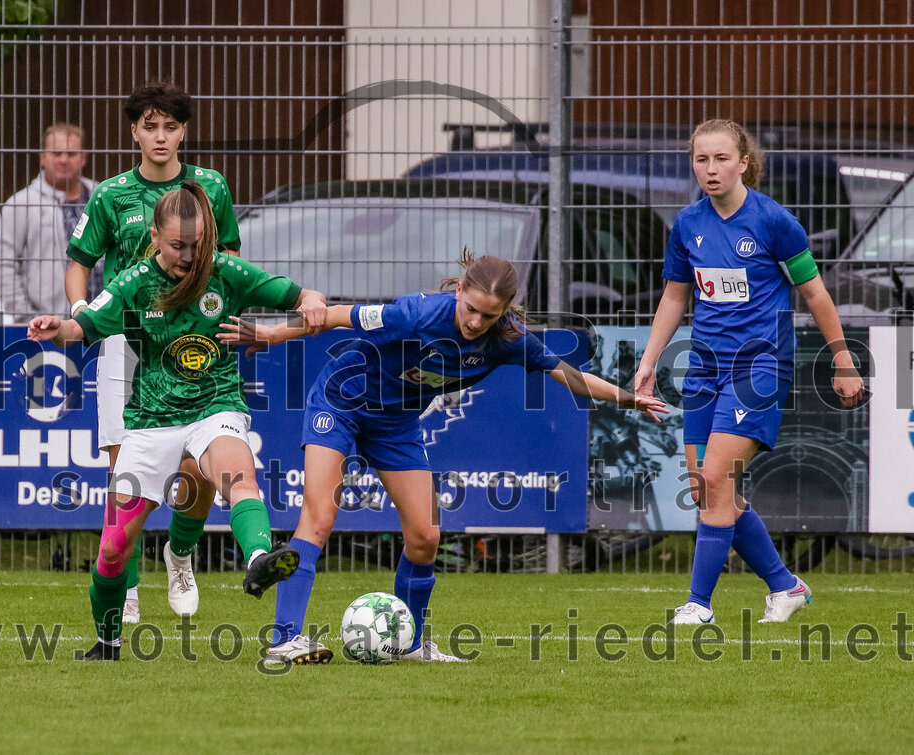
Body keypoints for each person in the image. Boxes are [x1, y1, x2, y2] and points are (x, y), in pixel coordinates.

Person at [219, 250, 668, 664]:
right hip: (340, 403)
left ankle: (410, 644)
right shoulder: (415, 313)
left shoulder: (508, 339)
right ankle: (284, 639)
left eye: (488, 315)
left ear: (505, 311)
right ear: (458, 292)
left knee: (426, 537)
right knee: (318, 517)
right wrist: (273, 334)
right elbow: (337, 315)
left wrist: (629, 399)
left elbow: (569, 375)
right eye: (470, 309)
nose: (475, 322)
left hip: (395, 424)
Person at [30, 181, 327, 660]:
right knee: (111, 552)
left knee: (238, 474)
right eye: (177, 246)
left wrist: (307, 305)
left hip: (215, 406)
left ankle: (258, 559)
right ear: (154, 236)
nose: (189, 256)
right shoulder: (132, 283)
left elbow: (302, 298)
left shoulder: (226, 271)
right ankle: (107, 642)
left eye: (197, 244)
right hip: (150, 422)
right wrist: (55, 328)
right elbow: (81, 326)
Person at [632, 119, 865, 626]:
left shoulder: (774, 221)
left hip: (759, 369)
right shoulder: (688, 224)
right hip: (703, 370)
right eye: (701, 160)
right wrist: (649, 362)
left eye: (720, 159)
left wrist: (843, 360)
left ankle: (698, 604)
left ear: (743, 163)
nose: (710, 169)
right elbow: (675, 295)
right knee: (704, 488)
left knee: (716, 477)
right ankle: (787, 585)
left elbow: (816, 293)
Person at [65, 82, 241, 625]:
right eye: (150, 126)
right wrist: (81, 312)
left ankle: (180, 554)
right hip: (129, 340)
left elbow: (231, 257)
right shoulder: (111, 194)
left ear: (183, 131)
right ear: (134, 131)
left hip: (192, 340)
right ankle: (127, 582)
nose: (160, 136)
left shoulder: (210, 185)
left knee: (204, 467)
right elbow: (80, 261)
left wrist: (222, 315)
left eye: (170, 127)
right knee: (125, 472)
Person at [0, 123, 97, 319]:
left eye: (72, 154)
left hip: (103, 323)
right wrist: (28, 317)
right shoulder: (21, 204)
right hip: (49, 324)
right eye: (56, 153)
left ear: (84, 158)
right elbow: (1, 264)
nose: (64, 160)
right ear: (43, 158)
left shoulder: (101, 197)